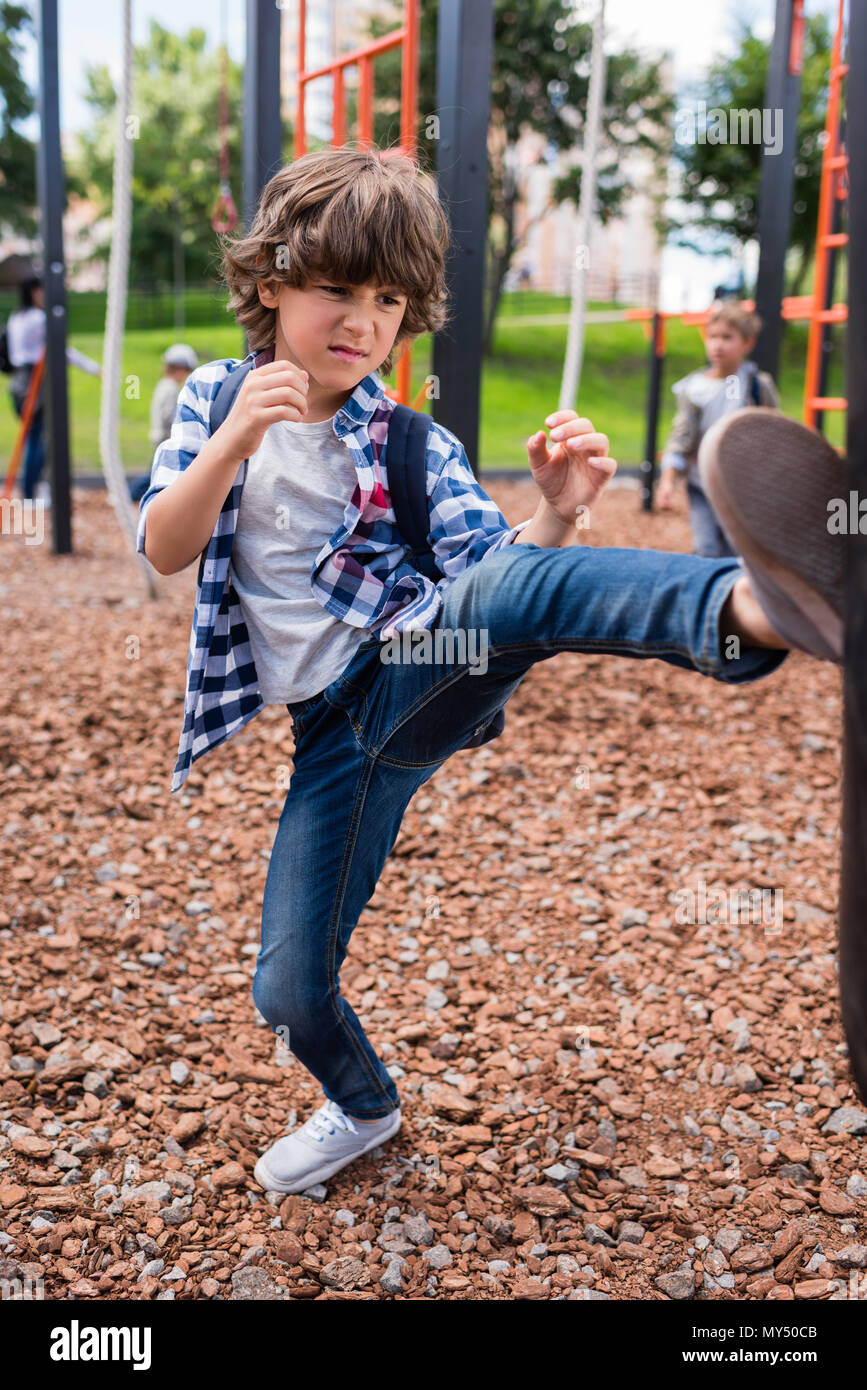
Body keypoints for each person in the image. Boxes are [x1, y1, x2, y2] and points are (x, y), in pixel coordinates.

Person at [135, 148, 844, 1196]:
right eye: (337, 287)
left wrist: (558, 509)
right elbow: (163, 545)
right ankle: (365, 1104)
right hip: (332, 738)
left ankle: (749, 605)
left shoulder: (409, 444)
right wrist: (233, 441)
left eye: (388, 299)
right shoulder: (214, 399)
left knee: (511, 593)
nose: (363, 320)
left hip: (417, 671)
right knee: (287, 990)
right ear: (272, 282)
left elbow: (494, 575)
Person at [655, 302, 779, 556]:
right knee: (706, 548)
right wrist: (667, 482)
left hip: (742, 487)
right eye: (712, 337)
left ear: (747, 343)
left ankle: (737, 594)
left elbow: (773, 432)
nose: (718, 345)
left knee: (739, 550)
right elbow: (682, 437)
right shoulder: (694, 388)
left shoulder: (757, 385)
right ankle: (711, 594)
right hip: (702, 483)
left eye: (727, 337)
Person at [5, 275, 101, 502]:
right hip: (34, 382)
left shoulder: (16, 317)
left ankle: (34, 489)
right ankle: (30, 493)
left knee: (34, 437)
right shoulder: (39, 319)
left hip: (18, 382)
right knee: (40, 439)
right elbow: (62, 350)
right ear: (35, 292)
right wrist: (95, 368)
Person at [129, 344, 200, 503]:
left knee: (155, 471)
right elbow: (169, 415)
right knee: (153, 474)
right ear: (180, 368)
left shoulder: (163, 384)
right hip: (164, 437)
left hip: (159, 435)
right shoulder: (171, 388)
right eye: (186, 371)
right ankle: (130, 495)